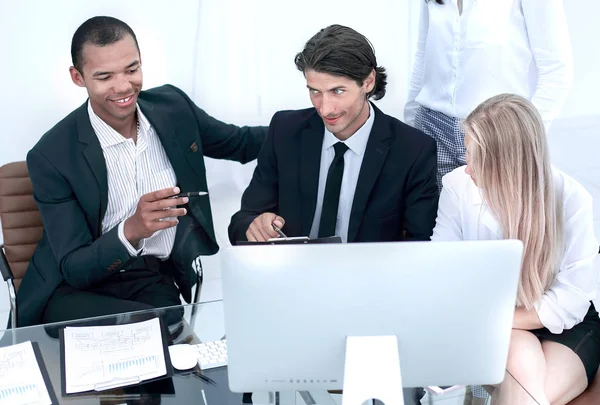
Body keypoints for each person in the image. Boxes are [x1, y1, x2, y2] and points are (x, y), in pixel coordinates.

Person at [17, 16, 267, 327]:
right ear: (78, 77)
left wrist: (311, 125)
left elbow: (240, 143)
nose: (123, 86)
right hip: (74, 291)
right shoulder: (51, 155)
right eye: (104, 76)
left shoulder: (173, 109)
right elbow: (74, 267)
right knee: (136, 339)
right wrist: (133, 228)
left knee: (167, 350)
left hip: (151, 279)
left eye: (132, 69)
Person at [431, 94, 600, 405]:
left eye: (475, 156)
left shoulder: (571, 199)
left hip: (566, 328)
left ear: (506, 163)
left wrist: (493, 317)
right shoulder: (458, 186)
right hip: (493, 326)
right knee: (522, 368)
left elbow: (572, 301)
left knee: (527, 397)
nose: (467, 168)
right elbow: (442, 269)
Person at [228, 24, 438, 245]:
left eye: (337, 91)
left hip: (371, 277)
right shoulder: (284, 131)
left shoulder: (413, 150)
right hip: (294, 274)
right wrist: (255, 226)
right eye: (315, 92)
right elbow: (241, 222)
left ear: (368, 82)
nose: (325, 109)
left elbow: (420, 245)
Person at [405, 0, 573, 191]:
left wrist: (521, 140)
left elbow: (556, 70)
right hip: (432, 129)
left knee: (495, 218)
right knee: (434, 218)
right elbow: (422, 54)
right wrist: (410, 126)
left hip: (496, 132)